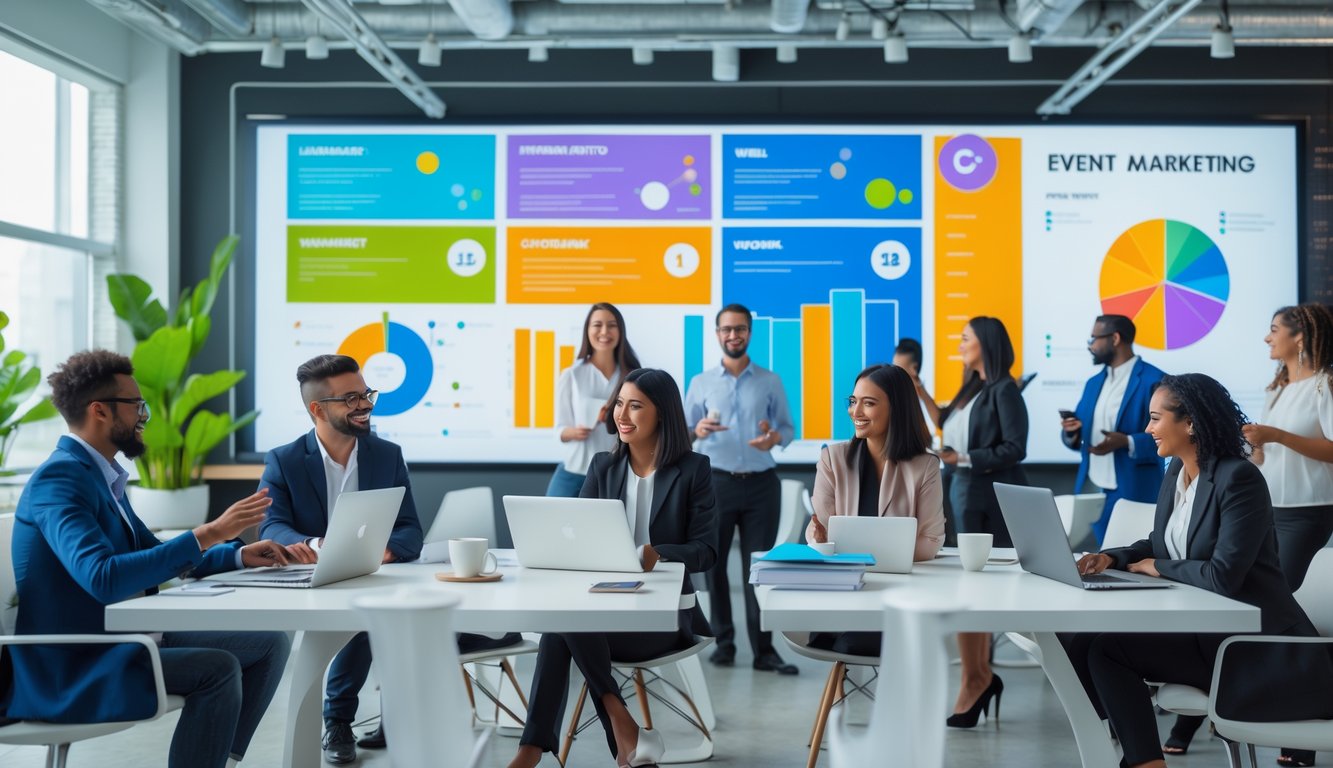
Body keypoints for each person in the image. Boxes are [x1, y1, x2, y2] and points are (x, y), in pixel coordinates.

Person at [6, 350, 293, 768]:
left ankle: (216, 759)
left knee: (267, 643)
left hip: (115, 644)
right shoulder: (60, 478)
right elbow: (101, 577)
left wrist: (238, 555)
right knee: (218, 668)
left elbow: (149, 551)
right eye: (136, 405)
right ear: (100, 410)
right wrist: (209, 532)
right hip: (70, 666)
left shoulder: (99, 476)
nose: (144, 415)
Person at [1064, 373, 1333, 768]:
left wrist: (1159, 567)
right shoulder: (1176, 472)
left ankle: (1141, 761)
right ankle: (1133, 755)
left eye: (1155, 419)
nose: (1146, 428)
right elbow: (1165, 542)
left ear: (1189, 423)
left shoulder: (1238, 478)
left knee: (1107, 650)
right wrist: (1113, 558)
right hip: (1210, 637)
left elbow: (1223, 576)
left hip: (1255, 651)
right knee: (1084, 641)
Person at [507, 368, 717, 768]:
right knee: (564, 621)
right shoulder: (603, 466)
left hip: (665, 618)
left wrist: (660, 553)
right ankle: (621, 727)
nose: (622, 414)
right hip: (603, 611)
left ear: (663, 414)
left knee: (561, 625)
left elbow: (706, 551)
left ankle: (536, 748)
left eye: (635, 405)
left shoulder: (693, 469)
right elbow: (581, 540)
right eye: (619, 403)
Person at [1168, 304, 1333, 765]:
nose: (1266, 338)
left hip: (1307, 511)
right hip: (1269, 507)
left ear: (1300, 338)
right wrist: (1253, 452)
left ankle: (1293, 723)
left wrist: (1277, 435)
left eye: (1274, 330)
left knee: (1274, 609)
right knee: (1244, 601)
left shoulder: (1324, 384)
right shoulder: (1278, 388)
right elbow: (1265, 461)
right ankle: (1215, 704)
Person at [257, 354, 432, 763]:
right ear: (318, 409)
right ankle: (346, 716)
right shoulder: (284, 460)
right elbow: (271, 528)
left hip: (367, 577)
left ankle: (339, 718)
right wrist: (318, 547)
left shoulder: (386, 455)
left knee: (372, 605)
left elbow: (410, 530)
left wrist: (384, 550)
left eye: (366, 394)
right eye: (351, 398)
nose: (365, 405)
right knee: (370, 608)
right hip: (310, 581)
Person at [917, 316, 1028, 727]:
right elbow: (945, 419)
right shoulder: (974, 388)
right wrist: (920, 391)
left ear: (986, 343)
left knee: (975, 588)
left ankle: (976, 678)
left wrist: (963, 458)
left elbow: (1016, 448)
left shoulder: (1004, 390)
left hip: (990, 496)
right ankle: (978, 676)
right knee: (966, 585)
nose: (960, 344)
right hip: (961, 490)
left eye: (966, 338)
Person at [684, 303, 797, 674]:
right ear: (717, 334)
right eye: (726, 329)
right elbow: (683, 433)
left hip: (762, 485)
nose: (733, 335)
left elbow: (787, 429)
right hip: (715, 483)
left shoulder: (770, 380)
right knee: (714, 568)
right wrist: (697, 431)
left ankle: (764, 650)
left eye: (740, 329)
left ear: (750, 333)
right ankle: (724, 643)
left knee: (760, 568)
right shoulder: (700, 383)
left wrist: (773, 439)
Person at [805, 363, 946, 656]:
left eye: (868, 403)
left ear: (897, 409)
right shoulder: (833, 459)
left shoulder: (925, 466)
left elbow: (930, 543)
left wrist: (852, 549)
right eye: (853, 401)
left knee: (856, 644)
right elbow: (824, 534)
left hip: (901, 595)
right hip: (841, 592)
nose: (855, 412)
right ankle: (840, 696)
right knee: (845, 642)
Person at [1060, 314, 1168, 545]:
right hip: (1093, 487)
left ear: (1115, 338)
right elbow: (1079, 435)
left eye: (1094, 339)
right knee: (1105, 555)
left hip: (1133, 487)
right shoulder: (1093, 383)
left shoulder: (1155, 380)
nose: (1091, 346)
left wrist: (1127, 442)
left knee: (1130, 558)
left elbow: (1171, 435)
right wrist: (1073, 432)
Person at [547, 302, 642, 497]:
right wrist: (574, 432)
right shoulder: (572, 375)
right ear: (587, 331)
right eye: (597, 325)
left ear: (620, 331)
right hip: (574, 471)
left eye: (612, 325)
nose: (604, 331)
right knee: (551, 525)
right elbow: (559, 430)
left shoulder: (633, 376)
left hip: (617, 474)